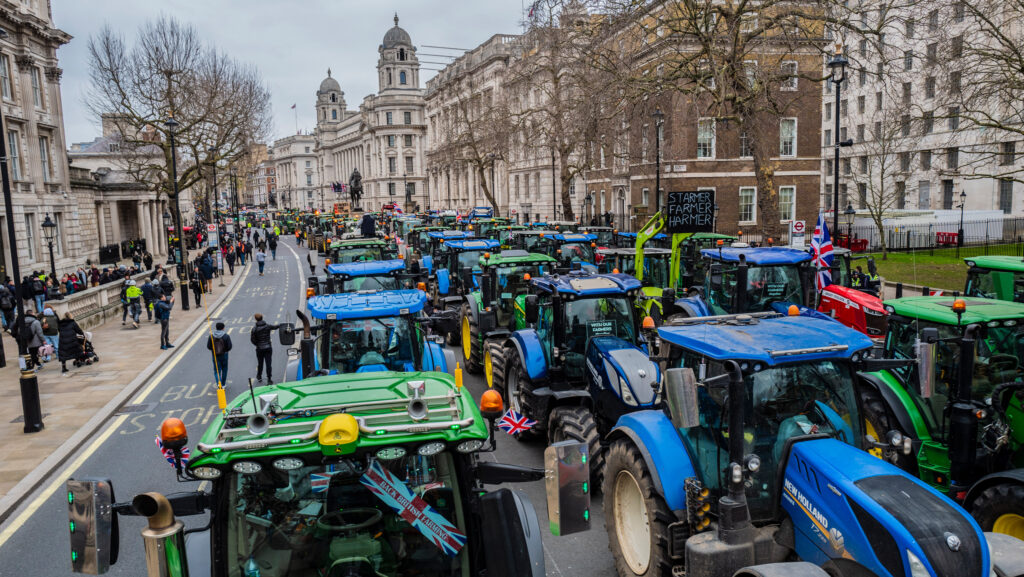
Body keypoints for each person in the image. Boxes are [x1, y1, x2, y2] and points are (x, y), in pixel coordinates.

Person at [250, 313, 280, 384]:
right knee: (268, 364)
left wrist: (257, 344)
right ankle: (269, 379)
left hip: (259, 348)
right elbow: (275, 327)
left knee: (260, 363)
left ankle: (259, 376)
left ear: (255, 319)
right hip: (268, 347)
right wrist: (282, 324)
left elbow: (252, 340)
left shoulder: (254, 329)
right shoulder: (267, 326)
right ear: (262, 318)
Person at [206, 321, 232, 387]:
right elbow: (229, 347)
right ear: (223, 328)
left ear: (216, 328)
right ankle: (223, 384)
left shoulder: (211, 336)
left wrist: (214, 350)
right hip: (224, 355)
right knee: (224, 369)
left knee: (217, 370)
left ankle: (219, 384)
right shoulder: (226, 336)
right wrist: (225, 351)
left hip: (215, 355)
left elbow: (209, 346)